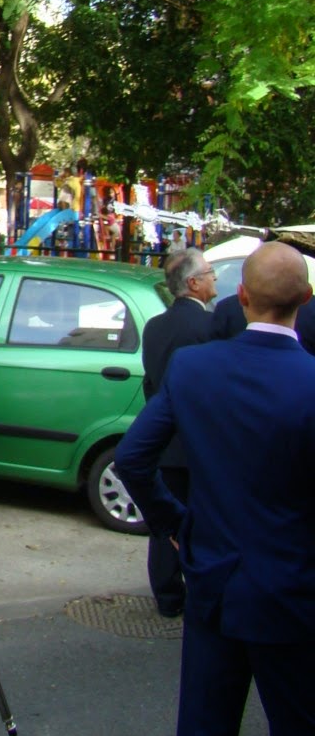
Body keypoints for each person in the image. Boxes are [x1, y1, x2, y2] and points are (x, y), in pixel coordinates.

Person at [115, 242, 315, 736]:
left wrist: (175, 523)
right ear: (305, 298)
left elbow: (132, 458)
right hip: (292, 588)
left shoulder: (196, 367)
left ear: (241, 296)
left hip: (213, 578)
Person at [139, 248, 217, 617]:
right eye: (210, 272)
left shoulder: (154, 327)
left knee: (165, 522)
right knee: (204, 521)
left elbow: (151, 381)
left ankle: (167, 596)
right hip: (202, 442)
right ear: (194, 283)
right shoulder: (210, 327)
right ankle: (202, 591)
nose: (215, 278)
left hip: (165, 440)